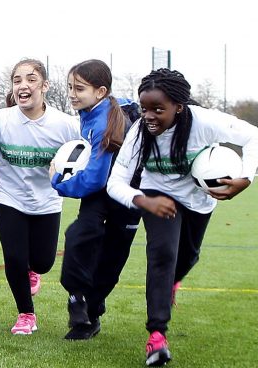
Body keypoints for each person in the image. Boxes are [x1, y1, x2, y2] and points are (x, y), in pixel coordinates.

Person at [107, 68, 257, 366]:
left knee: (187, 257)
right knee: (162, 253)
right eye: (144, 108)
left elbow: (253, 136)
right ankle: (157, 336)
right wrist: (143, 201)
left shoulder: (205, 121)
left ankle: (174, 281)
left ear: (179, 106)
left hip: (198, 200)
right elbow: (116, 182)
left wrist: (245, 178)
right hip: (156, 195)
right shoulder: (139, 133)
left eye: (158, 109)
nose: (148, 116)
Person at [0, 59, 79, 335]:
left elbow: (86, 154)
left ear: (44, 86)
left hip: (47, 201)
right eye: (17, 80)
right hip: (9, 198)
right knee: (15, 258)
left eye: (31, 79)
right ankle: (26, 314)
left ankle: (34, 269)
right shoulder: (1, 120)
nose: (23, 85)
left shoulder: (66, 125)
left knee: (43, 262)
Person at [53, 59, 140, 340]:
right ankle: (77, 299)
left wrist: (58, 181)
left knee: (112, 258)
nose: (72, 94)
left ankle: (92, 312)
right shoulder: (94, 110)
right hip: (101, 194)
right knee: (81, 234)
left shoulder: (105, 121)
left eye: (79, 88)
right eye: (70, 87)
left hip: (126, 193)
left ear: (101, 91)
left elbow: (94, 178)